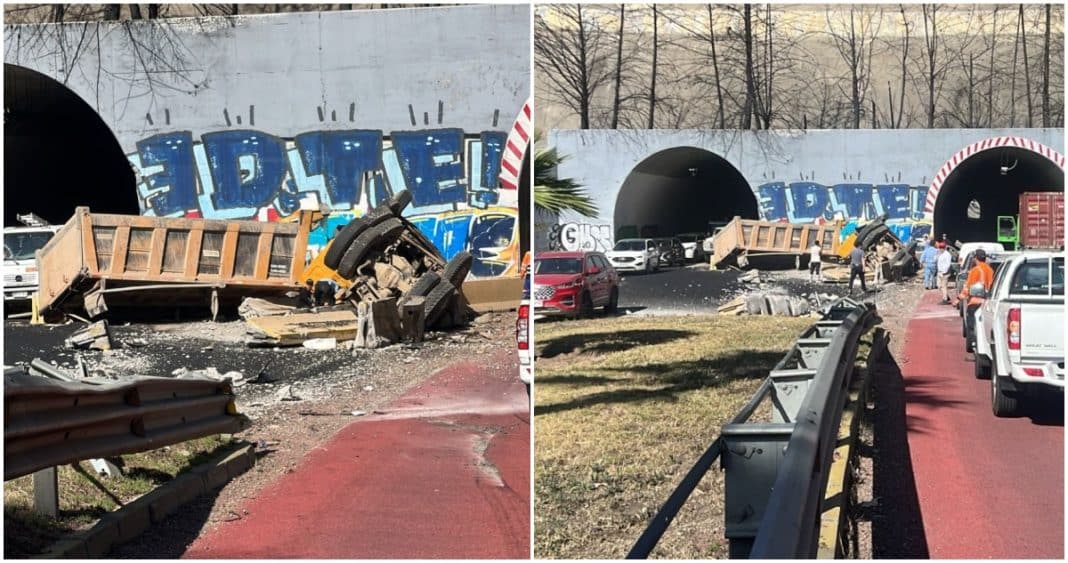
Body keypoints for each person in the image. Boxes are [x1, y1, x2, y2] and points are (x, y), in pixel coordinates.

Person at [959, 248, 995, 348]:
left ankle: (974, 344)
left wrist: (958, 299)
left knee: (972, 326)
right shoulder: (991, 270)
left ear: (975, 259)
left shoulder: (974, 271)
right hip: (987, 303)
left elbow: (967, 287)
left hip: (975, 302)